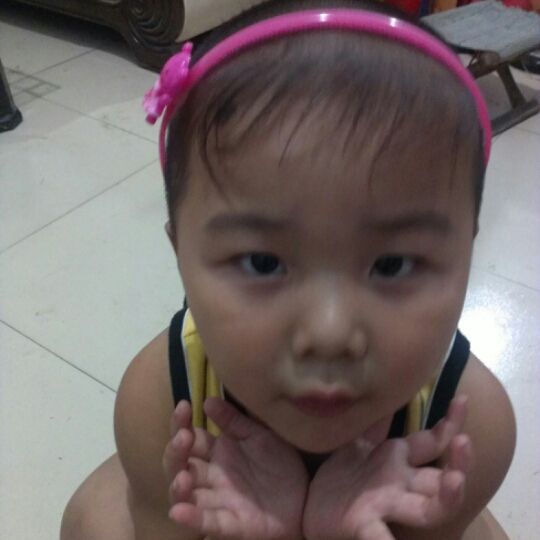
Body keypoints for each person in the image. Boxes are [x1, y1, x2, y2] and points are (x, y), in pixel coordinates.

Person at [60, 1, 516, 539]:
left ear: (467, 251)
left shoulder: (470, 431)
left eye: (393, 265)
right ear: (179, 252)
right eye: (263, 263)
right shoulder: (159, 403)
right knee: (93, 516)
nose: (329, 333)